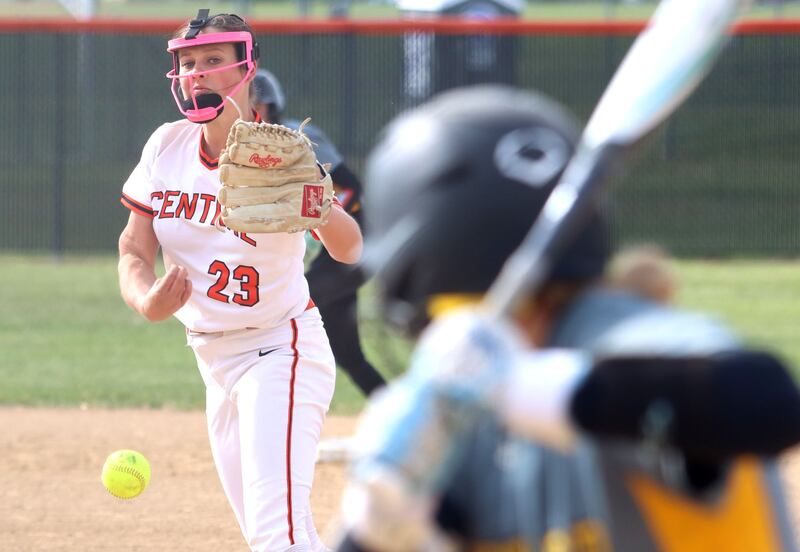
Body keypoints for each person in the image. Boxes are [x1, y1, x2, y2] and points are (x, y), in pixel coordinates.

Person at [333, 85, 800, 551]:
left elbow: (766, 401)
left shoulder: (617, 339)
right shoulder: (471, 421)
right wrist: (379, 528)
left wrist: (523, 386)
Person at [117, 10, 362, 552]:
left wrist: (317, 204)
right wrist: (146, 301)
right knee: (274, 537)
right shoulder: (166, 146)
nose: (197, 74)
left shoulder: (280, 154)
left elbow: (349, 249)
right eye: (187, 64)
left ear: (246, 69)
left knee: (280, 538)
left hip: (280, 350)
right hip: (214, 361)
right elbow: (134, 247)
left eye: (212, 62)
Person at [251, 69, 386, 396]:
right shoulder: (244, 146)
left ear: (272, 105)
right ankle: (403, 419)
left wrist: (324, 214)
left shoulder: (292, 134)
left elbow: (353, 189)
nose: (255, 112)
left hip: (356, 241)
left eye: (258, 105)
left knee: (290, 303)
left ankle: (279, 393)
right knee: (349, 355)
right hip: (330, 256)